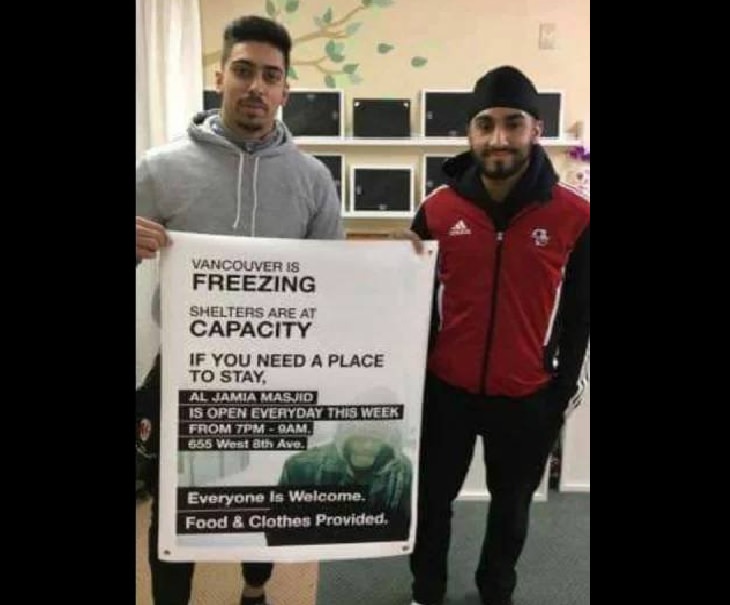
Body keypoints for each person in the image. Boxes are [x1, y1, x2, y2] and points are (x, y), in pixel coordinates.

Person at [135, 14, 344, 605]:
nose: (256, 86)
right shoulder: (159, 168)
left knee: (269, 493)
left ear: (285, 90)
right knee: (176, 508)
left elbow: (332, 280)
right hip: (185, 369)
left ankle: (256, 586)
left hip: (278, 372)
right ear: (220, 75)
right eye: (244, 71)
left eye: (270, 76)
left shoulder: (312, 179)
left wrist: (400, 271)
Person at [406, 66, 590, 605]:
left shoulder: (575, 217)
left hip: (528, 395)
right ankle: (427, 591)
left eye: (513, 124)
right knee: (430, 502)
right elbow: (409, 302)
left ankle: (495, 593)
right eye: (485, 125)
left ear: (536, 129)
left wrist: (559, 392)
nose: (499, 139)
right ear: (470, 132)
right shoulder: (438, 210)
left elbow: (581, 314)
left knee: (511, 510)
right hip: (446, 393)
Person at [267, 418, 412, 545]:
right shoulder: (302, 467)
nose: (367, 446)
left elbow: (403, 528)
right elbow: (279, 525)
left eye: (376, 440)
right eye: (360, 438)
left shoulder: (402, 472)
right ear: (344, 439)